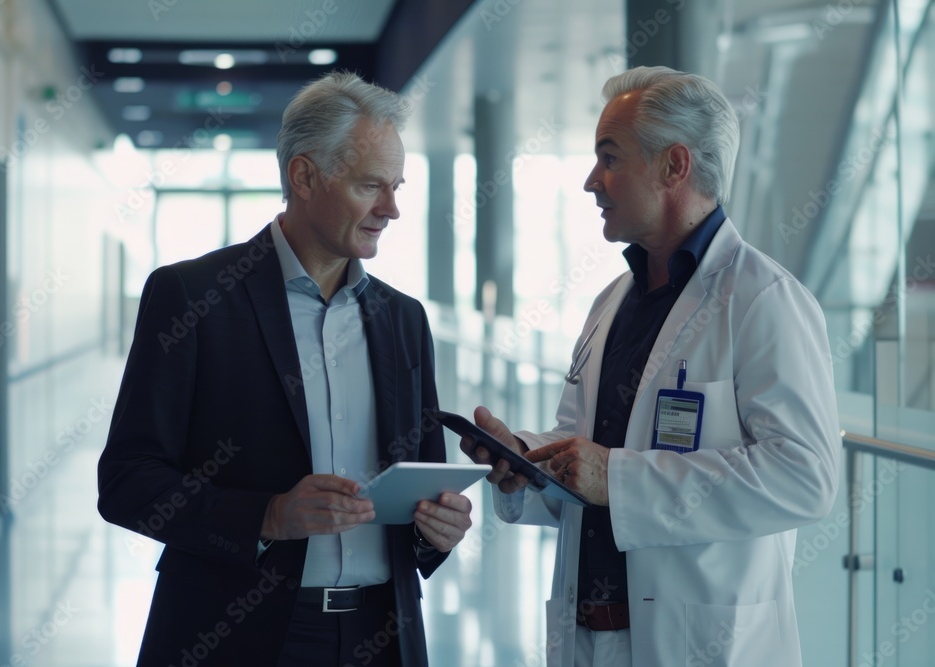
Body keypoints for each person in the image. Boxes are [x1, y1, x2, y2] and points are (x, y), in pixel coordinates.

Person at [463, 66, 841, 667]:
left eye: (609, 158)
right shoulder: (612, 300)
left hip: (702, 641)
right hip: (589, 634)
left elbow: (805, 477)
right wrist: (527, 460)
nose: (592, 182)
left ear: (675, 166)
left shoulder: (765, 301)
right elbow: (583, 448)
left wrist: (618, 478)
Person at [98, 71, 472, 667]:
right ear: (303, 176)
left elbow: (420, 488)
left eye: (396, 187)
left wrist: (438, 530)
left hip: (384, 636)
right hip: (233, 635)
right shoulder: (192, 297)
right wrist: (268, 515)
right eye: (371, 186)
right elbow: (127, 482)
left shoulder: (403, 319)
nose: (391, 209)